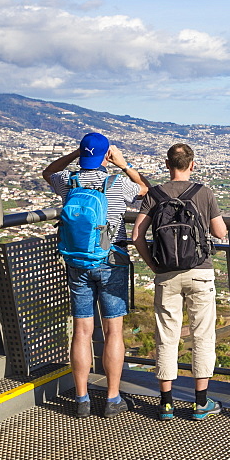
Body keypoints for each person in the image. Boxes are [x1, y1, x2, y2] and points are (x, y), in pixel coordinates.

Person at [42, 132, 150, 418]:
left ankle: (81, 398)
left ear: (82, 154)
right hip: (112, 260)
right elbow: (146, 190)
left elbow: (48, 172)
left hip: (78, 262)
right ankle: (113, 398)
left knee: (82, 330)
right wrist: (123, 164)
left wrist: (74, 156)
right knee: (113, 330)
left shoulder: (69, 182)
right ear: (106, 156)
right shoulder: (117, 183)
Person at [132, 143, 227, 421]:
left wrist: (154, 266)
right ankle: (200, 402)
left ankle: (166, 404)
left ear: (167, 164)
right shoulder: (204, 192)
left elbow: (138, 234)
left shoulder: (155, 194)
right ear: (192, 164)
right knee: (202, 335)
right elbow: (220, 232)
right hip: (200, 271)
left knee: (166, 335)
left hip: (166, 274)